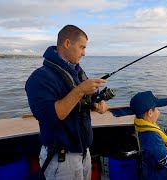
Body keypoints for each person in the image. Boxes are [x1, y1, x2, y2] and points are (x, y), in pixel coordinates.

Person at [25, 25, 108, 180]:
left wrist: (96, 105)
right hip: (61, 159)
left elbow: (82, 102)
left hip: (84, 152)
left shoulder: (77, 72)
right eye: (82, 47)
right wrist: (80, 90)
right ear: (67, 43)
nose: (84, 53)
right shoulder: (39, 78)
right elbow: (52, 116)